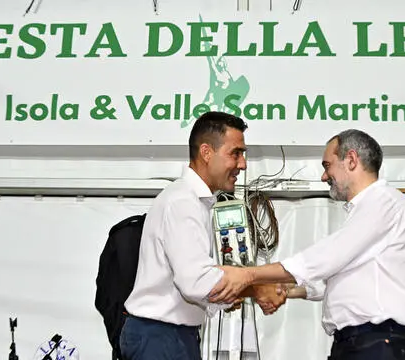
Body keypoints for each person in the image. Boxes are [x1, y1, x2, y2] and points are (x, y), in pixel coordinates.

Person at [208, 129, 405, 360]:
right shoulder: (368, 211)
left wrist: (249, 275)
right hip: (359, 341)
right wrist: (285, 290)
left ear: (351, 160)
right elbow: (339, 276)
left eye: (327, 165)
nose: (324, 176)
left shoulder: (385, 201)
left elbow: (329, 257)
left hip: (379, 341)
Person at [121, 111, 286, 360]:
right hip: (161, 338)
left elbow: (195, 283)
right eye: (236, 153)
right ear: (207, 152)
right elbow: (195, 282)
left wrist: (239, 289)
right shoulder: (182, 201)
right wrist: (256, 287)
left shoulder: (195, 201)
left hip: (169, 336)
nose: (242, 164)